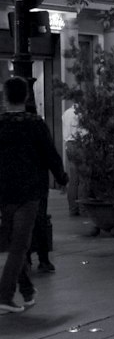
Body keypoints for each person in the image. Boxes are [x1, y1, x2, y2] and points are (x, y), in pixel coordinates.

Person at [0, 76, 68, 314]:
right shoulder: (34, 124)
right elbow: (50, 153)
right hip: (29, 191)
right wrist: (62, 178)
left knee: (14, 242)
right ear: (27, 96)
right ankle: (5, 295)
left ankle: (27, 291)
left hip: (4, 192)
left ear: (5, 97)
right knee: (19, 244)